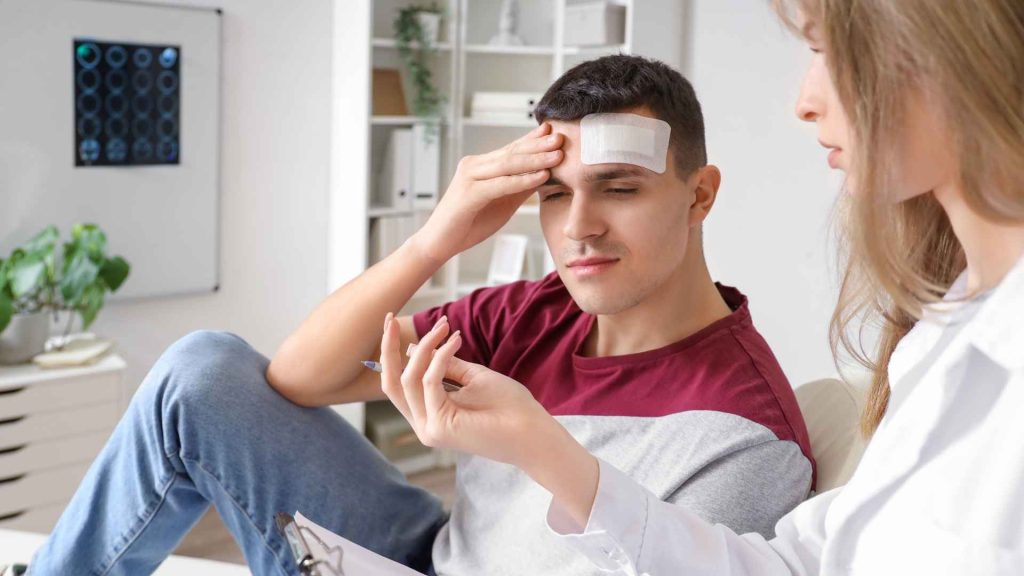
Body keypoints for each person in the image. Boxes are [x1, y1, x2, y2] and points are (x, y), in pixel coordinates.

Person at [27, 56, 815, 575]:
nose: (578, 228)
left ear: (700, 194)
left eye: (619, 187)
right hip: (430, 554)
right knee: (202, 369)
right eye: (552, 194)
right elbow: (297, 378)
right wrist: (435, 239)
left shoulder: (745, 436)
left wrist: (535, 444)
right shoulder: (535, 314)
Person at [381, 0, 1024, 574]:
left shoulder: (742, 430)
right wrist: (538, 444)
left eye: (825, 49)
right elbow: (787, 564)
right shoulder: (939, 337)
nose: (803, 102)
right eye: (553, 193)